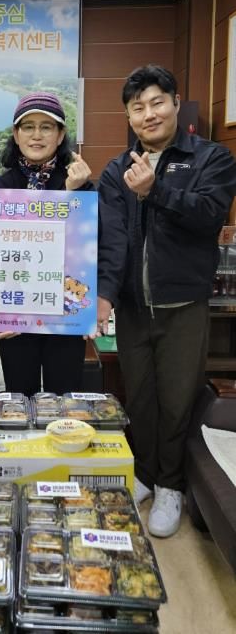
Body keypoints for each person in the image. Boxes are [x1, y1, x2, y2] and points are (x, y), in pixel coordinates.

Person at [97, 65, 236, 538]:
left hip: (184, 307)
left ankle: (171, 485)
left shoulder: (211, 158)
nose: (148, 114)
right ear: (129, 116)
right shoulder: (116, 170)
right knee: (140, 398)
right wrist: (105, 295)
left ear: (176, 103)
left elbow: (209, 215)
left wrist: (155, 191)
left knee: (178, 401)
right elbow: (113, 241)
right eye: (138, 107)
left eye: (157, 102)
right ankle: (145, 473)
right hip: (133, 309)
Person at [0, 92, 94, 397]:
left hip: (65, 311)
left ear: (60, 135)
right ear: (16, 134)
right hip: (14, 312)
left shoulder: (81, 185)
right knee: (19, 397)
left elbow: (88, 248)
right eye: (28, 127)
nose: (37, 135)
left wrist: (72, 193)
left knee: (65, 398)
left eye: (46, 127)